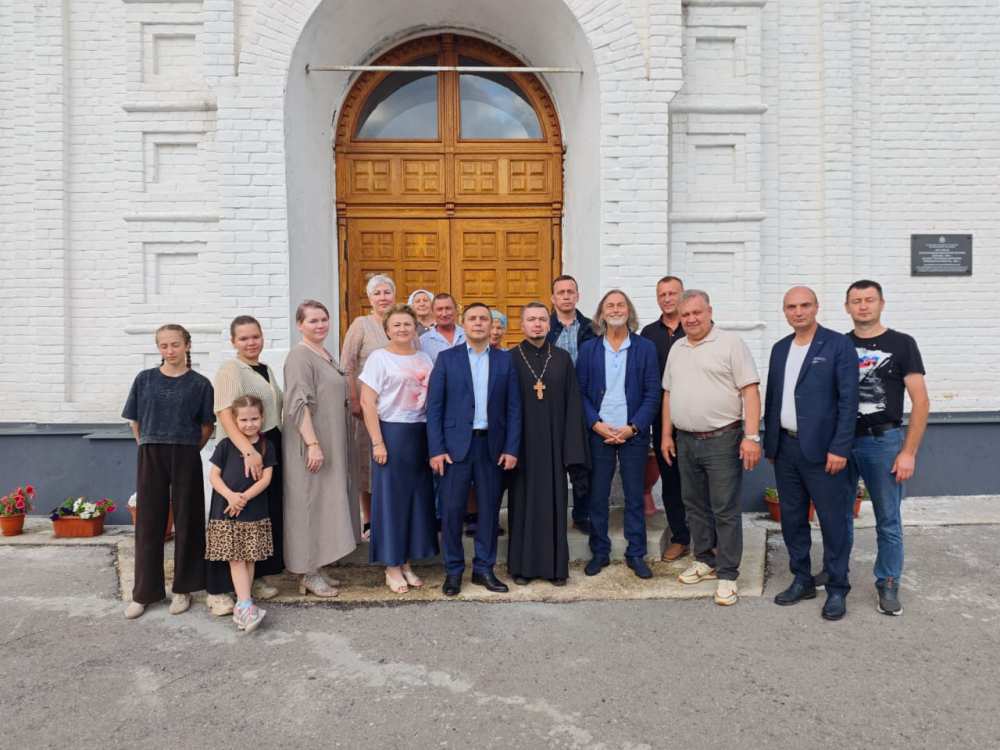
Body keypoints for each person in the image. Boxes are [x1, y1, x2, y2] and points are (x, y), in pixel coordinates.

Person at [660, 290, 762, 606]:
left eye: (697, 312)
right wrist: (666, 435)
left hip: (722, 439)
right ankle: (704, 559)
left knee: (724, 509)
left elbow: (750, 390)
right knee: (694, 505)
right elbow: (668, 394)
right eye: (685, 314)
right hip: (685, 440)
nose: (691, 319)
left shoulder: (730, 343)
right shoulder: (677, 348)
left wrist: (752, 436)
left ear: (709, 311)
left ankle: (728, 574)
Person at [764, 286, 858, 621]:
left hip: (824, 451)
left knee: (833, 522)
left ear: (816, 307)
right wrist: (771, 443)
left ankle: (837, 587)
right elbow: (773, 398)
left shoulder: (837, 345)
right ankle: (802, 579)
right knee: (792, 519)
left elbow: (849, 401)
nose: (798, 312)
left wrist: (840, 447)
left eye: (805, 305)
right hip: (786, 449)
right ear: (784, 311)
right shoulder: (780, 349)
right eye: (791, 306)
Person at [844, 279, 929, 616]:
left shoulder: (902, 344)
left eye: (869, 299)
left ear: (881, 303)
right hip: (842, 442)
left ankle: (888, 581)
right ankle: (837, 574)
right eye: (856, 301)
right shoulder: (839, 344)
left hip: (883, 442)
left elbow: (921, 401)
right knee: (838, 515)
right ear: (847, 307)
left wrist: (908, 452)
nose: (863, 306)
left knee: (888, 519)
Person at [426, 303, 522, 596]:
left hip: (491, 447)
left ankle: (484, 569)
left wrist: (511, 448)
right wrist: (436, 449)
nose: (478, 323)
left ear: (491, 325)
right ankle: (454, 571)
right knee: (452, 512)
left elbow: (514, 408)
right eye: (472, 319)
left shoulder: (505, 360)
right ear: (463, 324)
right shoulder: (447, 359)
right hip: (454, 449)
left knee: (489, 512)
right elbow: (434, 408)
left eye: (483, 319)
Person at [122, 324, 215, 619]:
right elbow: (134, 420)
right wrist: (146, 445)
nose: (169, 350)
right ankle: (144, 593)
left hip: (186, 451)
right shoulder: (145, 379)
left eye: (175, 344)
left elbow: (207, 426)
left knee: (188, 519)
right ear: (158, 348)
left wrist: (190, 450)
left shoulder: (200, 384)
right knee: (149, 522)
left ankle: (184, 589)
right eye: (163, 345)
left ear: (187, 345)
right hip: (151, 451)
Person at [576, 290, 660, 580]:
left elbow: (652, 393)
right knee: (598, 495)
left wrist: (633, 427)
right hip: (599, 432)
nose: (615, 309)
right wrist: (595, 424)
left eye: (620, 305)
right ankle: (600, 551)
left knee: (634, 495)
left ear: (629, 311)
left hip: (633, 433)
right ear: (601, 314)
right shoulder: (589, 349)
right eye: (609, 306)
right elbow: (580, 392)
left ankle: (636, 553)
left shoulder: (645, 348)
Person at [206, 315, 284, 617]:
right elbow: (224, 413)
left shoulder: (264, 369)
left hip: (266, 443)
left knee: (258, 515)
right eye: (244, 338)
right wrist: (248, 451)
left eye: (255, 336)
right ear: (233, 341)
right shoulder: (231, 369)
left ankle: (254, 579)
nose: (251, 343)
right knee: (231, 518)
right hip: (240, 451)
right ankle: (218, 589)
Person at [506, 302, 589, 585]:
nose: (537, 324)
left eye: (542, 319)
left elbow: (573, 405)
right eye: (531, 319)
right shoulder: (510, 358)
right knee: (523, 506)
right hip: (522, 447)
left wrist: (571, 450)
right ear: (522, 325)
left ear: (548, 324)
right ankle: (522, 569)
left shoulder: (562, 359)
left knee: (553, 506)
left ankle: (555, 569)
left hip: (554, 446)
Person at [359, 304, 439, 594]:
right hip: (391, 434)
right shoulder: (379, 359)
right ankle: (391, 566)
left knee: (415, 501)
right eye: (397, 325)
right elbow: (367, 402)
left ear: (415, 327)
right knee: (391, 502)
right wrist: (378, 441)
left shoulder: (424, 358)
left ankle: (406, 562)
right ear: (387, 330)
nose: (403, 329)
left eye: (407, 324)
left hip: (420, 434)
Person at [283, 300, 360, 597]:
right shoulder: (299, 356)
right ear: (299, 325)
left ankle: (318, 564)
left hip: (331, 440)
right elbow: (297, 402)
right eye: (312, 321)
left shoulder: (324, 353)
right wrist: (312, 444)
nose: (320, 325)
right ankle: (307, 572)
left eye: (323, 319)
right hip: (311, 442)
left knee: (324, 503)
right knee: (308, 505)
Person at [205, 395, 276, 632]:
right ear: (235, 421)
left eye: (254, 419)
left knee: (249, 558)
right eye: (243, 420)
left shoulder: (266, 446)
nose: (249, 424)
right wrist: (230, 496)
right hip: (228, 511)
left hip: (253, 511)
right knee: (236, 558)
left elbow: (266, 479)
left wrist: (243, 498)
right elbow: (214, 476)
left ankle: (243, 603)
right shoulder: (226, 445)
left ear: (262, 417)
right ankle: (245, 605)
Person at [639, 275, 691, 561]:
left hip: (696, 416)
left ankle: (710, 539)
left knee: (700, 482)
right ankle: (680, 537)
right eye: (663, 294)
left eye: (673, 293)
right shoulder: (648, 333)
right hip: (662, 419)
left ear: (682, 295)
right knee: (671, 481)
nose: (668, 298)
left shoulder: (696, 325)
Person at [342, 275, 394, 541]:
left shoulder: (400, 322)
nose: (383, 297)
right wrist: (353, 398)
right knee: (368, 462)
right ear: (370, 298)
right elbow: (348, 364)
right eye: (377, 293)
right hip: (366, 407)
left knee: (392, 461)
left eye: (387, 292)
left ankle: (390, 517)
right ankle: (369, 519)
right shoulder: (361, 325)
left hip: (397, 410)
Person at [546, 274, 597, 534]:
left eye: (570, 292)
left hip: (585, 402)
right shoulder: (544, 327)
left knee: (582, 462)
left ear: (577, 296)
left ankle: (581, 514)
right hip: (552, 405)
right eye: (561, 292)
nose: (566, 296)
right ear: (553, 298)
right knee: (552, 463)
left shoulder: (592, 328)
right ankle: (552, 515)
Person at [419, 293, 466, 363]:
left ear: (456, 310)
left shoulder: (468, 336)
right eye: (439, 309)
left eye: (448, 308)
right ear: (432, 312)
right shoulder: (423, 341)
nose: (444, 314)